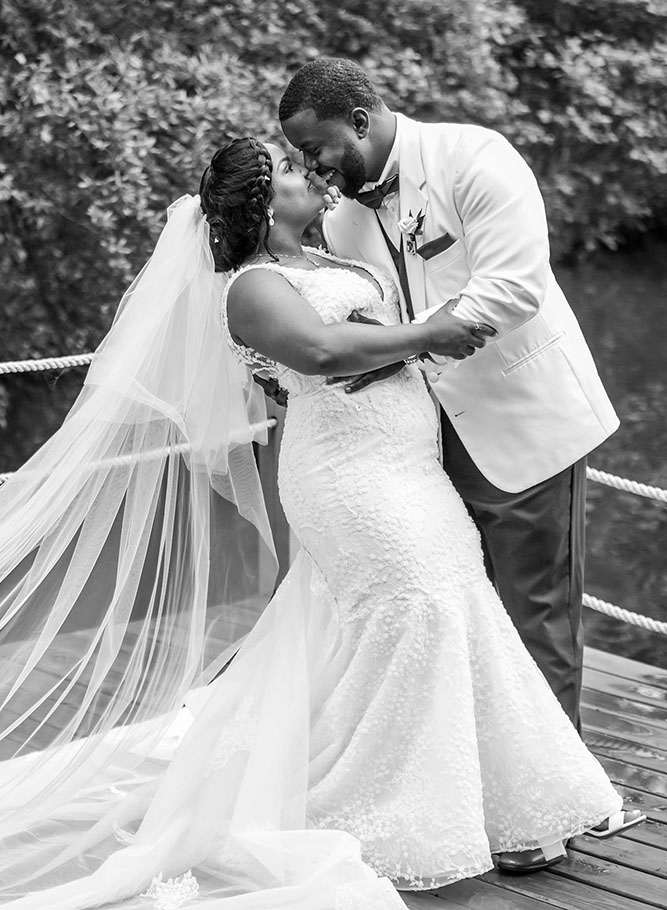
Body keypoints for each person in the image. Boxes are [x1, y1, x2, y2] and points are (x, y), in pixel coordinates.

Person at [0, 137, 641, 910]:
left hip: (409, 466)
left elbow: (344, 342)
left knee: (453, 606)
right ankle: (384, 810)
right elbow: (320, 348)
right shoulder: (251, 286)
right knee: (417, 616)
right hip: (349, 477)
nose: (317, 176)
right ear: (270, 205)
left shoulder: (333, 259)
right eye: (299, 173)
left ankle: (492, 801)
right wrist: (428, 336)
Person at [279, 57, 620, 743]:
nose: (313, 169)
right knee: (468, 616)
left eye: (315, 151)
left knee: (535, 613)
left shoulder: (473, 156)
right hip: (420, 443)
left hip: (520, 420)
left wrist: (408, 342)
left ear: (358, 121)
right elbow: (384, 316)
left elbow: (515, 286)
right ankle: (492, 778)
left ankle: (554, 806)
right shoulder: (344, 221)